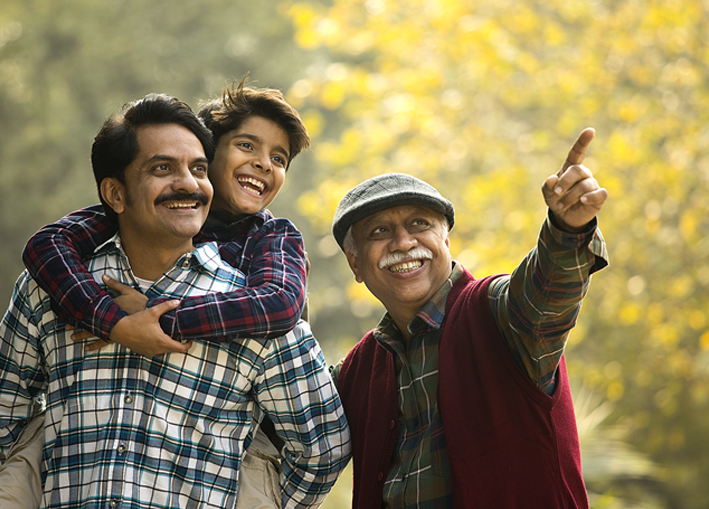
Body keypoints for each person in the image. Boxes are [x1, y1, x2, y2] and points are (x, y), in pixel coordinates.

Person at [0, 94, 350, 508]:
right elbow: (45, 244)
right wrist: (111, 320)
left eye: (279, 158)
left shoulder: (266, 264)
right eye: (163, 168)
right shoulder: (64, 281)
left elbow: (322, 448)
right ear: (116, 193)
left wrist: (159, 319)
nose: (263, 163)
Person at [329, 128, 608, 508]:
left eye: (419, 224)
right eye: (380, 231)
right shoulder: (358, 369)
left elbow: (546, 293)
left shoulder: (496, 311)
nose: (403, 242)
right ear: (355, 262)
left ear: (445, 239)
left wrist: (566, 229)